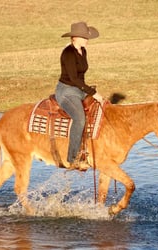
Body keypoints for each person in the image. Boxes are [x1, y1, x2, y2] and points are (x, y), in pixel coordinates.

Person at [55, 21, 103, 170]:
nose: (87, 40)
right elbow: (74, 79)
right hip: (66, 91)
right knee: (80, 119)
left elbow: (80, 77)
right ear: (75, 37)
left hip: (78, 89)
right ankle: (72, 158)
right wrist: (93, 93)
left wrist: (88, 91)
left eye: (87, 37)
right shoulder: (68, 53)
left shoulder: (83, 50)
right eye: (84, 37)